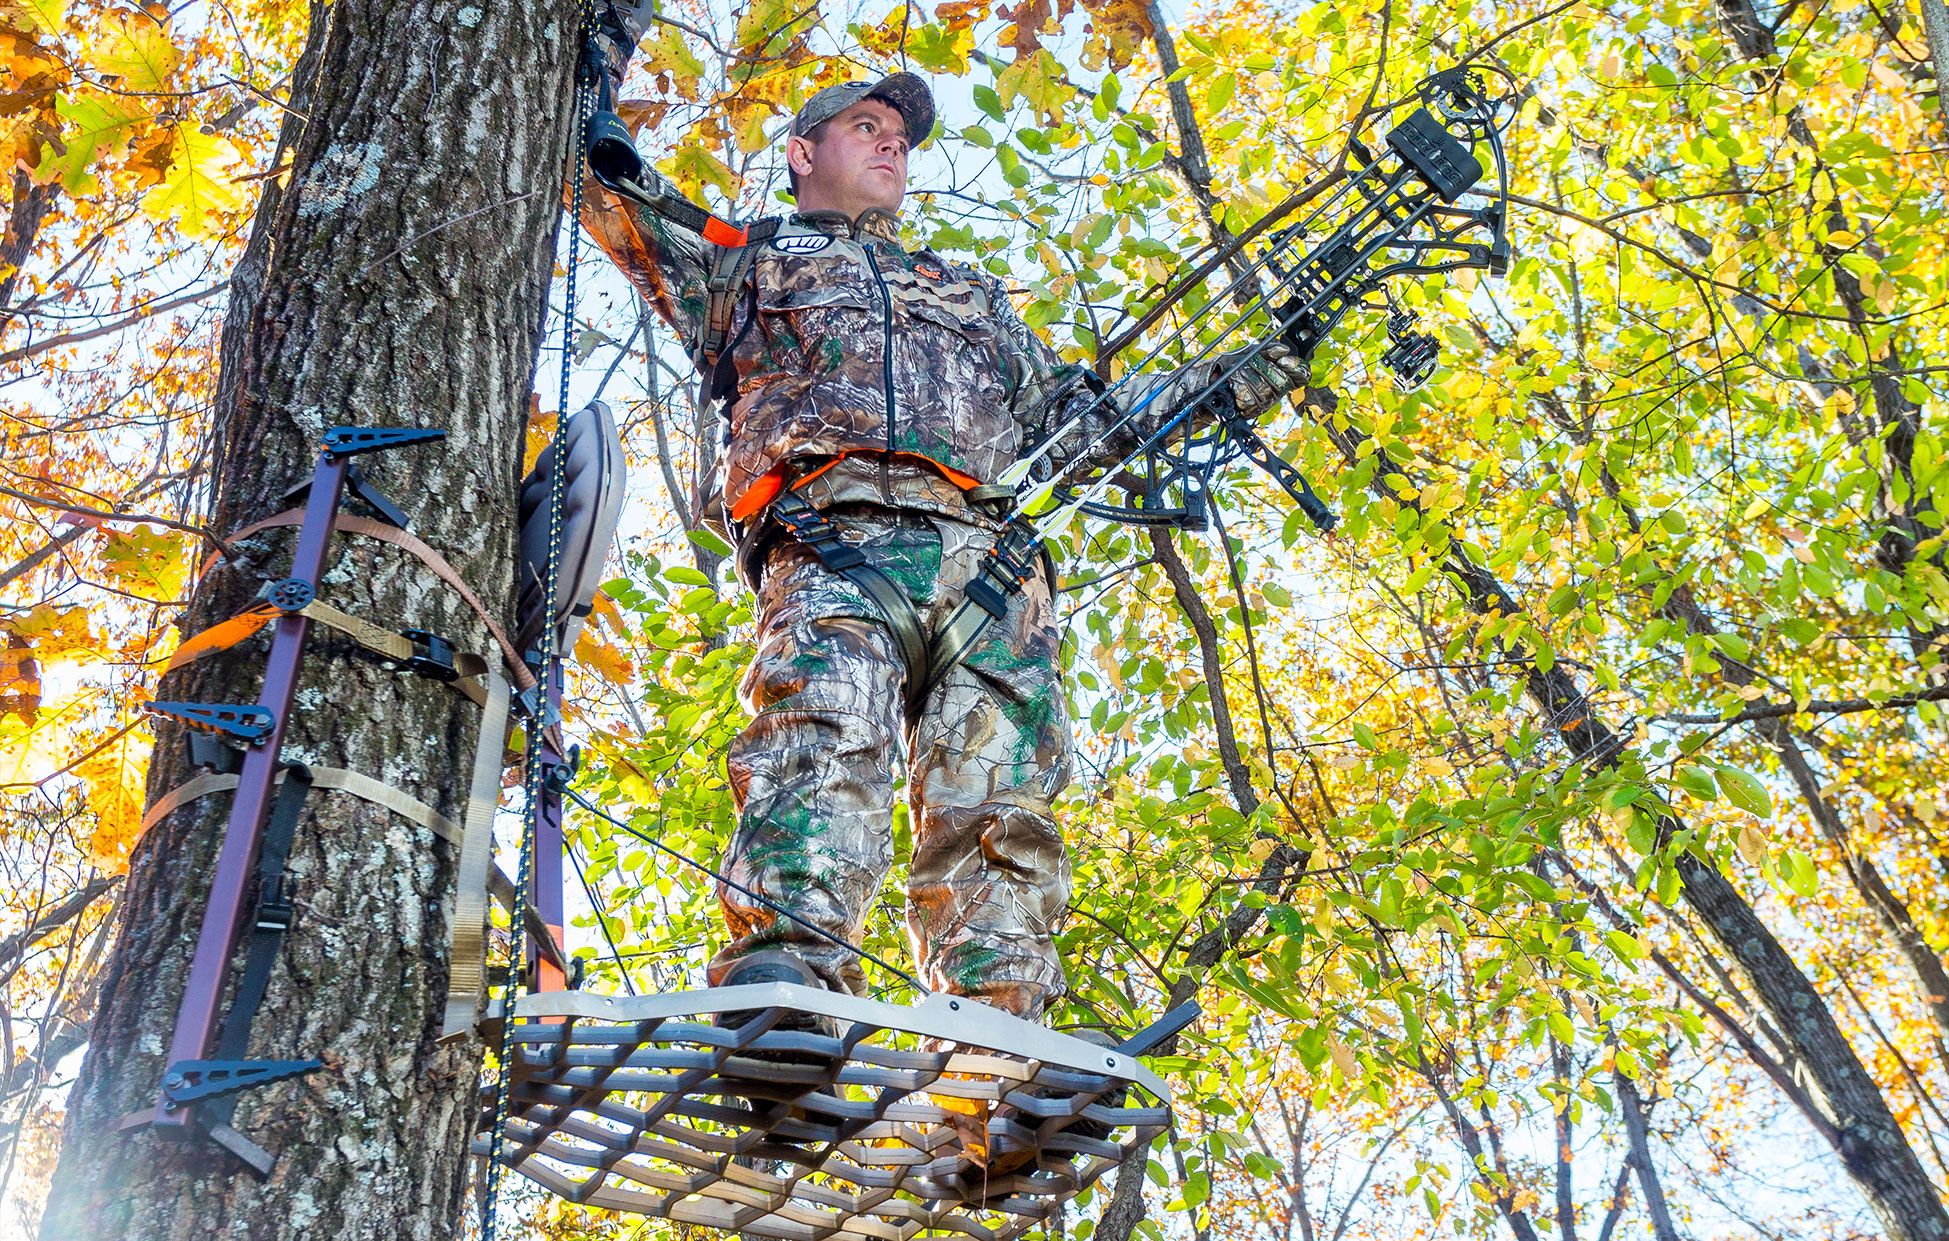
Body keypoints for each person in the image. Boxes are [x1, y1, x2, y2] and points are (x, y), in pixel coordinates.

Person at [582, 10, 1306, 1040]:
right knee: (820, 755)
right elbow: (603, 182)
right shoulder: (748, 264)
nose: (892, 143)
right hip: (837, 545)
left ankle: (999, 1037)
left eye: (902, 136)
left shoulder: (967, 296)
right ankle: (781, 994)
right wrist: (595, 62)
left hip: (990, 570)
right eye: (865, 125)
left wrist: (1255, 367)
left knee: (999, 817)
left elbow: (1083, 421)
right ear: (800, 155)